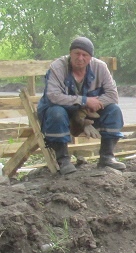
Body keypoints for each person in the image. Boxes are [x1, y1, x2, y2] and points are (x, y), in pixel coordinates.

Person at [37, 36, 126, 174]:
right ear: (70, 54)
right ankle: (63, 160)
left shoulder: (100, 67)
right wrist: (85, 101)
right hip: (62, 113)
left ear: (90, 57)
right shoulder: (57, 67)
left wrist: (96, 103)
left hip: (89, 113)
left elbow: (113, 95)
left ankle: (107, 158)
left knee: (114, 110)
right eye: (76, 53)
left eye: (84, 55)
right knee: (56, 113)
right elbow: (53, 96)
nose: (80, 58)